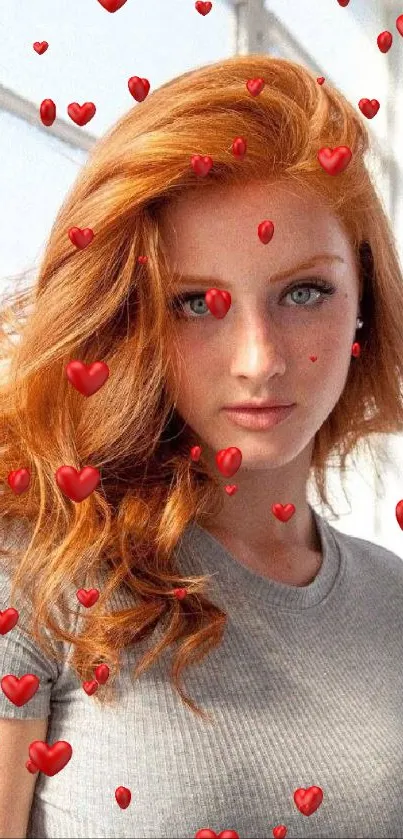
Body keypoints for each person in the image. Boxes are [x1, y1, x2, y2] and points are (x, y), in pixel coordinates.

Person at [0, 52, 402, 839]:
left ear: (363, 298)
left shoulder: (393, 600)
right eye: (194, 302)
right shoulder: (35, 571)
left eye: (303, 291)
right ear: (130, 315)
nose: (259, 358)